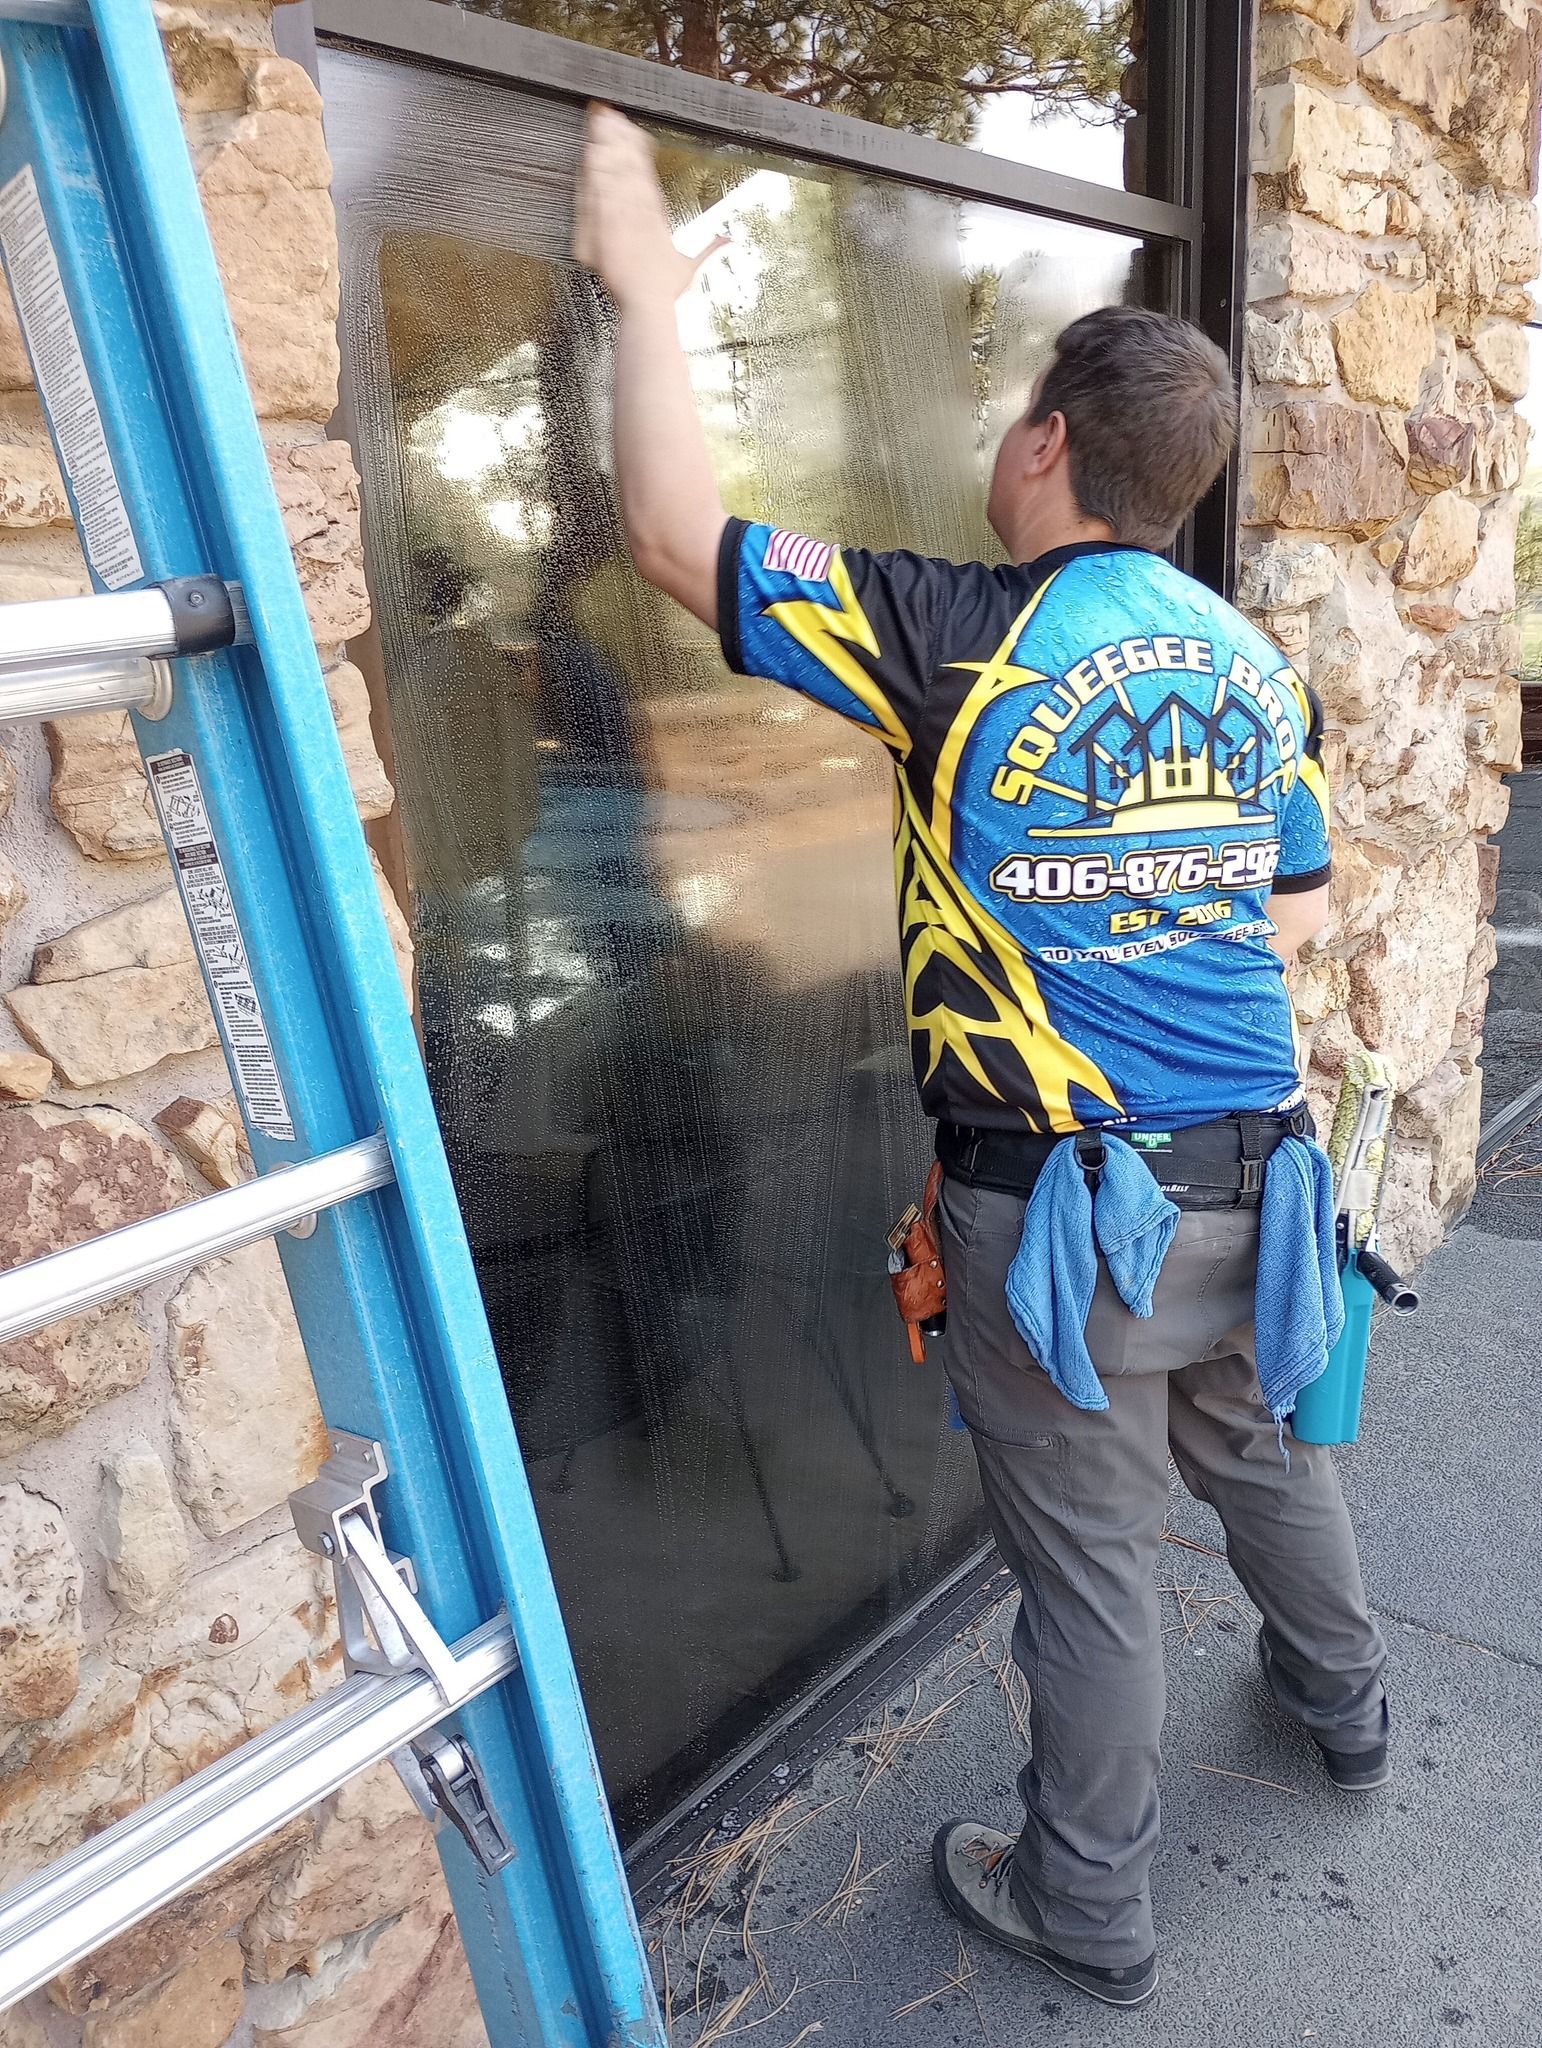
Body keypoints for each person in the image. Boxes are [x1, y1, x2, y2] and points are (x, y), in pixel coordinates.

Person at [573, 104, 1388, 2013]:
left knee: (1092, 1569)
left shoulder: (958, 637)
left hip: (1065, 1225)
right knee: (1258, 1444)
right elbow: (1297, 910)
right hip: (1259, 1184)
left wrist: (639, 290)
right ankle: (1347, 1705)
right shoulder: (1255, 667)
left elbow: (674, 542)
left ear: (1043, 447)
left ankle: (1086, 1907)